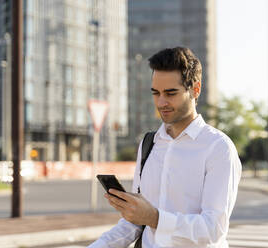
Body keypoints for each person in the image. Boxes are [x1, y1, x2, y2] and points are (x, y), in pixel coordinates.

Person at [87, 47, 242, 248]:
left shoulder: (218, 148)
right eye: (156, 93)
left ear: (195, 89)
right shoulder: (149, 144)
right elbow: (134, 223)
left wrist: (155, 218)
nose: (161, 102)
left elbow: (213, 230)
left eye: (170, 93)